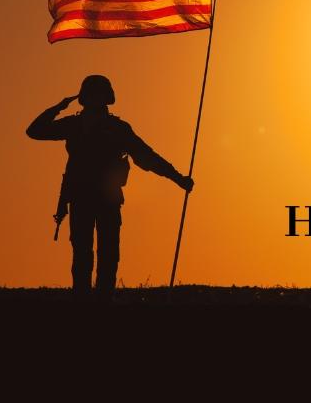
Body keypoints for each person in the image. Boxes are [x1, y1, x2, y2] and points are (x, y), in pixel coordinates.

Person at [26, 75, 193, 301]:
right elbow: (35, 131)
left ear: (107, 98)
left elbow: (147, 156)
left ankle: (105, 299)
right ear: (85, 98)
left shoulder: (118, 128)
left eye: (100, 94)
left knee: (109, 253)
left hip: (108, 198)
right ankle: (82, 299)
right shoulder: (74, 125)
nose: (96, 99)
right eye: (92, 94)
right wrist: (58, 107)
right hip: (81, 197)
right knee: (82, 253)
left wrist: (177, 178)